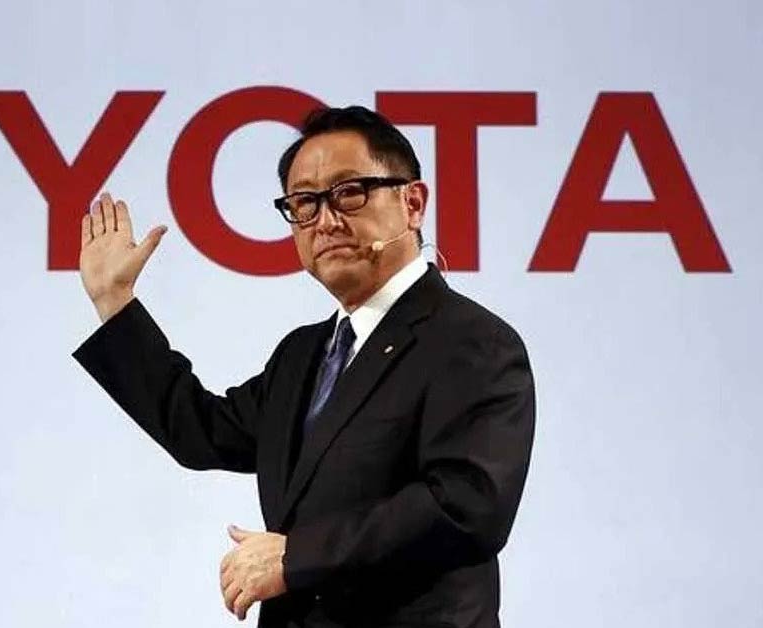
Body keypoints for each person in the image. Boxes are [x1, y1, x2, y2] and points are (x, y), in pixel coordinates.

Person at [72, 106, 535, 628]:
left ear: (413, 203)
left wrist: (296, 557)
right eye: (305, 203)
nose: (326, 221)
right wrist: (115, 301)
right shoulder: (303, 353)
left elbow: (467, 506)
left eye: (350, 192)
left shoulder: (472, 341)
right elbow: (200, 432)